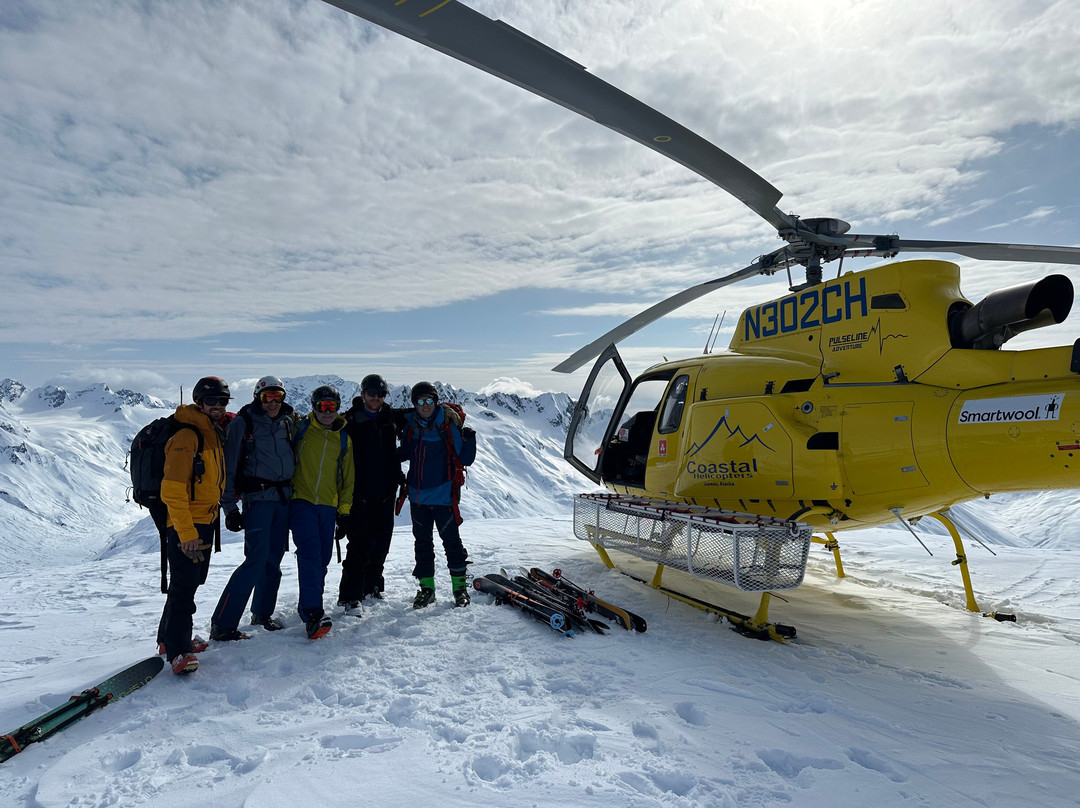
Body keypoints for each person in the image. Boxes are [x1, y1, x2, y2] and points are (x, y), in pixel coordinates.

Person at [211, 376, 297, 642]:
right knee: (255, 561)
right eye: (267, 396)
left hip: (283, 499)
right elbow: (229, 465)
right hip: (257, 499)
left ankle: (262, 614)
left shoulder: (288, 421)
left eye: (277, 396)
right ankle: (223, 623)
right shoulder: (243, 423)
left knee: (273, 561)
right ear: (257, 396)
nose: (272, 402)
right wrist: (229, 507)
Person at [157, 376, 230, 676]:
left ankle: (169, 639)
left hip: (205, 520)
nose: (218, 406)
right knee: (184, 588)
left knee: (189, 583)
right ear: (199, 402)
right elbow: (172, 490)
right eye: (212, 401)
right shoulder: (187, 437)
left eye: (222, 401)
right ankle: (178, 652)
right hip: (188, 524)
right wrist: (186, 533)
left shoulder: (209, 432)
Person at [399, 381, 476, 609]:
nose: (424, 405)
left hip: (443, 497)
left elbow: (464, 459)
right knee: (422, 544)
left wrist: (470, 440)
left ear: (435, 401)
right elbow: (405, 452)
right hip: (418, 498)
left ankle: (459, 590)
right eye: (420, 401)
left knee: (452, 544)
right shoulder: (411, 425)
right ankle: (427, 589)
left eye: (429, 400)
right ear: (414, 403)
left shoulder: (447, 423)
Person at [290, 384, 354, 639]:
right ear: (313, 407)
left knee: (323, 559)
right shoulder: (301, 430)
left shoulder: (343, 438)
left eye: (332, 407)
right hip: (301, 501)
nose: (327, 411)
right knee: (309, 554)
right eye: (322, 406)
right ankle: (312, 612)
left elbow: (347, 478)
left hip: (328, 505)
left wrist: (344, 511)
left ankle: (308, 601)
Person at [338, 374, 405, 614]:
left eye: (380, 394)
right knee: (358, 546)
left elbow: (421, 412)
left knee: (381, 544)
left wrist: (450, 409)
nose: (376, 398)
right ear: (363, 394)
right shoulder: (349, 420)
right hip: (359, 495)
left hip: (387, 493)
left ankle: (373, 586)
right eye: (371, 393)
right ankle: (350, 596)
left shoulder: (390, 417)